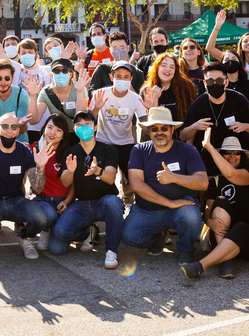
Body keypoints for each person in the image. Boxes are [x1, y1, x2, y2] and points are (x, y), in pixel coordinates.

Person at [122, 107, 208, 265]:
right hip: (147, 210)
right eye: (154, 129)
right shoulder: (139, 150)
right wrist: (169, 202)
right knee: (128, 236)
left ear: (172, 129)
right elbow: (136, 184)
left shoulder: (188, 150)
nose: (159, 132)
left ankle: (186, 250)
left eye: (164, 128)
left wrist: (174, 178)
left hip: (180, 207)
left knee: (191, 217)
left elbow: (203, 183)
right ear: (148, 131)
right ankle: (157, 237)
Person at [0, 112, 52, 261]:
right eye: (5, 126)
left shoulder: (25, 151)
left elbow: (37, 188)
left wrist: (40, 167)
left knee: (41, 218)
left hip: (15, 200)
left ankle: (26, 238)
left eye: (14, 127)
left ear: (18, 131)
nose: (9, 130)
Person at [49, 111, 122, 269]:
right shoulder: (70, 152)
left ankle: (111, 251)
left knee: (114, 202)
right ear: (74, 129)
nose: (84, 128)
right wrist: (70, 171)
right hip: (82, 204)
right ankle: (86, 233)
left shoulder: (108, 150)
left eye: (88, 124)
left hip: (105, 201)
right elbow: (65, 181)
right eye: (79, 125)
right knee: (57, 246)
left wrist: (98, 171)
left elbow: (110, 178)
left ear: (95, 127)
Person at [183, 130, 249, 279]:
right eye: (226, 152)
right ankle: (225, 261)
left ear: (242, 155)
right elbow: (208, 211)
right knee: (221, 200)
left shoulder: (246, 174)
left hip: (245, 237)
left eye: (236, 152)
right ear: (222, 155)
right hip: (220, 233)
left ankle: (201, 265)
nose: (232, 156)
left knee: (242, 227)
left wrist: (209, 146)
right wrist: (209, 222)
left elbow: (231, 174)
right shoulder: (215, 182)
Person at [90, 61, 148, 200]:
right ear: (111, 77)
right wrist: (97, 108)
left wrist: (151, 107)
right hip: (103, 142)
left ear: (131, 79)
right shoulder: (100, 94)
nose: (122, 80)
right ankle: (105, 202)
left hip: (126, 142)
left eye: (126, 77)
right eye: (118, 76)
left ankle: (129, 202)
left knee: (130, 177)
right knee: (102, 176)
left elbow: (145, 121)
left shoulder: (135, 98)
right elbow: (89, 121)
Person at [181, 62, 249, 175]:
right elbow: (183, 135)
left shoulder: (239, 100)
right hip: (206, 163)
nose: (215, 84)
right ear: (204, 83)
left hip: (236, 162)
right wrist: (194, 127)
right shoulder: (198, 104)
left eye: (219, 81)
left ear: (226, 82)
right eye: (210, 81)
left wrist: (245, 126)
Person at [30, 114, 74, 250]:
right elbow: (35, 187)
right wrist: (40, 166)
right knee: (49, 216)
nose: (52, 133)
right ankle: (47, 230)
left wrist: (67, 202)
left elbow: (75, 184)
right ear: (43, 129)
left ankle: (86, 232)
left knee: (58, 250)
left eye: (58, 130)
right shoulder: (35, 149)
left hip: (64, 201)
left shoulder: (69, 152)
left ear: (64, 135)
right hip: (43, 200)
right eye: (50, 127)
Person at [24, 58, 90, 143]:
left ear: (70, 74)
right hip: (56, 137)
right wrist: (33, 96)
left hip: (76, 135)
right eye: (57, 71)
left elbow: (81, 118)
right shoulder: (46, 92)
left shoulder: (79, 88)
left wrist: (80, 91)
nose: (61, 74)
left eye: (65, 71)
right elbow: (33, 121)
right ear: (51, 75)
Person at [140, 53, 197, 124]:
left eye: (172, 67)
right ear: (157, 68)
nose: (168, 69)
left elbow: (192, 117)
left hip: (181, 133)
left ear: (176, 71)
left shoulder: (186, 87)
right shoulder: (146, 91)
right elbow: (148, 127)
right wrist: (154, 103)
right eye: (164, 65)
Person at [205, 10, 249, 99]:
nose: (248, 43)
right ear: (240, 45)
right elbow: (209, 48)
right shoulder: (234, 59)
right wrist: (217, 26)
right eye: (245, 41)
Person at [16, 38, 52, 144]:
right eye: (24, 52)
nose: (27, 54)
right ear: (18, 55)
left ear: (36, 53)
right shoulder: (15, 69)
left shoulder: (47, 70)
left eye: (30, 52)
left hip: (44, 125)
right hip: (22, 126)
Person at [89, 31, 144, 99]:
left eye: (122, 48)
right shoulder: (102, 69)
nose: (118, 51)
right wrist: (102, 95)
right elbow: (92, 90)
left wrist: (131, 91)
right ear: (110, 50)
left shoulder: (138, 73)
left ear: (128, 48)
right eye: (115, 48)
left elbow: (141, 98)